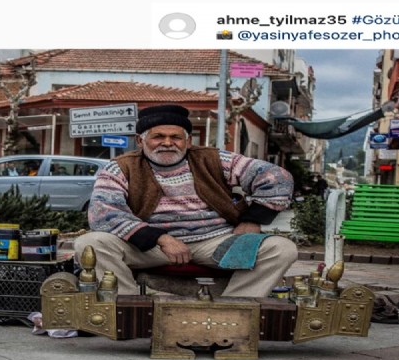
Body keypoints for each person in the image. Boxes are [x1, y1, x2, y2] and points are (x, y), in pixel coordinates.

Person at [74, 104, 298, 298]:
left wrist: (252, 220)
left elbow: (277, 177)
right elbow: (105, 214)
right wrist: (161, 238)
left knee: (281, 249)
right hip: (150, 247)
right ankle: (128, 307)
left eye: (176, 137)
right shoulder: (120, 167)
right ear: (140, 141)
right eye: (158, 136)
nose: (168, 143)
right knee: (91, 243)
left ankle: (235, 308)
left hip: (216, 241)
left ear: (188, 141)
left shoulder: (215, 159)